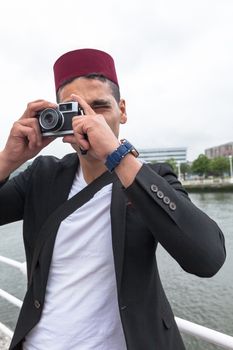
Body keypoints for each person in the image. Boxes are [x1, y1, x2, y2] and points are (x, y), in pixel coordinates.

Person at [0, 48, 226, 350]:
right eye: (75, 110)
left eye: (100, 107)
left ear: (122, 110)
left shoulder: (151, 178)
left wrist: (118, 156)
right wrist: (6, 160)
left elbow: (207, 257)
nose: (89, 121)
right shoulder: (42, 176)